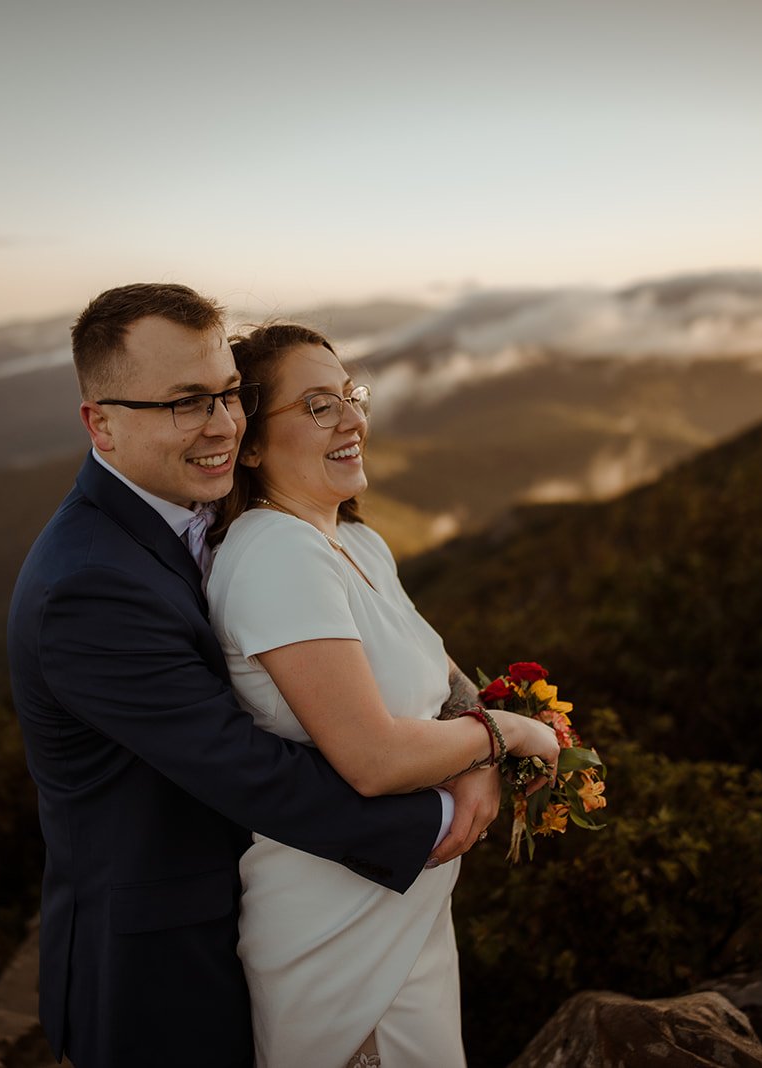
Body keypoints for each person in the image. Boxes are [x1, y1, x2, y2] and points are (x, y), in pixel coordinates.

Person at [7, 284, 547, 1068]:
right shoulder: (88, 584)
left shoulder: (224, 520)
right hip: (159, 959)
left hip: (283, 908)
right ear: (103, 423)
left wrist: (474, 741)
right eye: (187, 402)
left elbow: (403, 657)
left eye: (228, 394)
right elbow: (246, 767)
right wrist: (461, 785)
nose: (223, 423)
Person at [206, 323, 560, 1067]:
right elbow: (371, 757)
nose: (351, 420)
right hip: (339, 924)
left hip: (408, 905)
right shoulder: (275, 555)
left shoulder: (357, 542)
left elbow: (442, 672)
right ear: (251, 445)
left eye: (349, 396)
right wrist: (506, 733)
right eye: (315, 406)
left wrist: (478, 745)